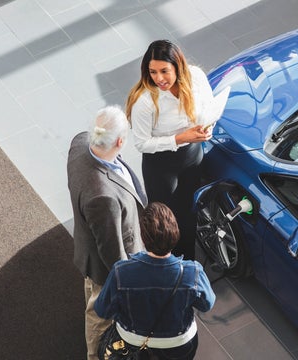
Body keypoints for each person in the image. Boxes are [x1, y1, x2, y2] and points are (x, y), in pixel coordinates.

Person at [67, 105, 148, 360]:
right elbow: (111, 251)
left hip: (87, 242)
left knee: (91, 295)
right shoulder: (103, 197)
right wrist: (128, 282)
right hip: (103, 266)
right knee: (99, 313)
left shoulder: (80, 143)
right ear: (121, 141)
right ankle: (94, 354)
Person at [126, 39, 215, 260]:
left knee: (189, 212)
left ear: (178, 66)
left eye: (164, 71)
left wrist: (209, 126)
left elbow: (209, 106)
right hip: (161, 165)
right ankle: (167, 262)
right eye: (153, 72)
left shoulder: (195, 77)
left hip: (192, 155)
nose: (159, 78)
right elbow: (141, 143)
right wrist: (179, 138)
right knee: (164, 221)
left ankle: (189, 259)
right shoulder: (145, 101)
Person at [95, 202, 216, 360]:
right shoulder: (193, 272)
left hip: (131, 343)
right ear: (175, 233)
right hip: (179, 344)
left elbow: (102, 310)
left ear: (144, 238)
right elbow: (207, 304)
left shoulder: (121, 272)